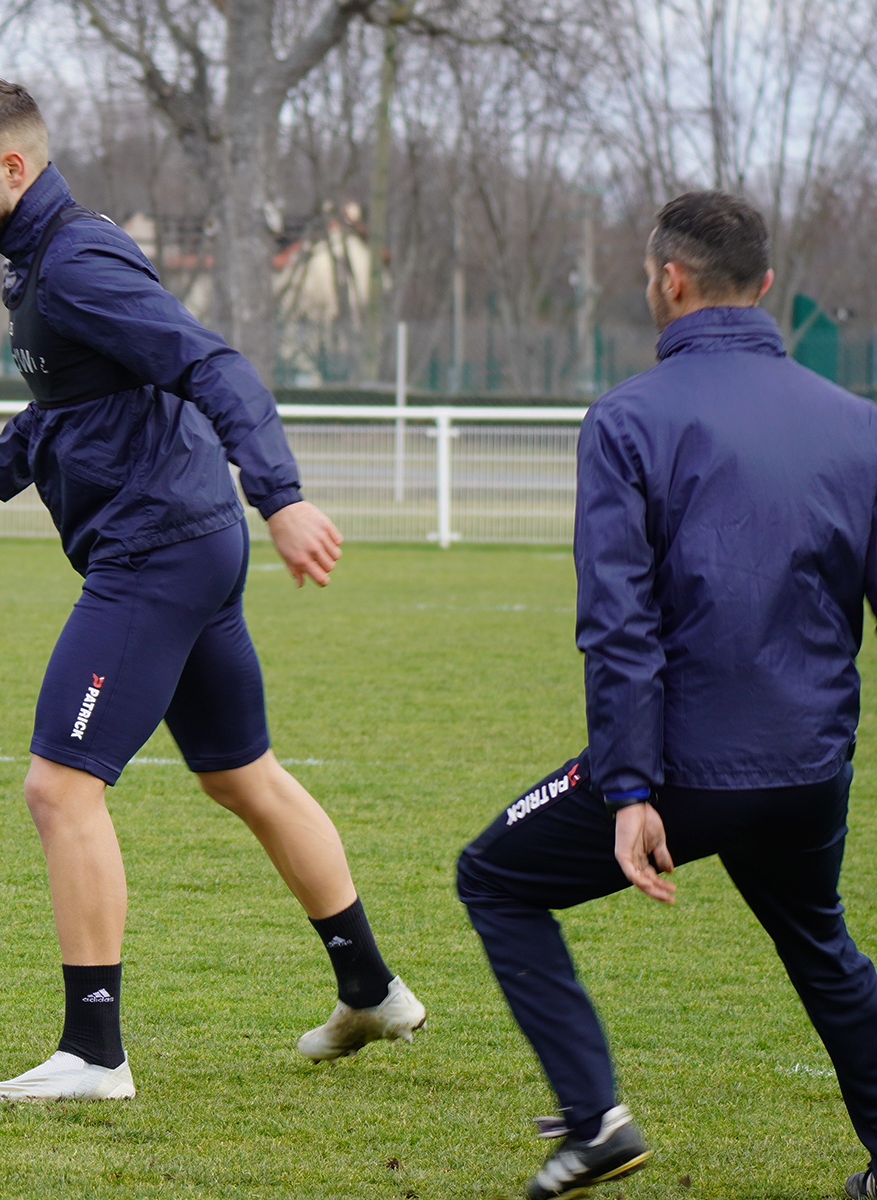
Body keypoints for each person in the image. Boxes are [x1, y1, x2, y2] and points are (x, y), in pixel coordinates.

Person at [0, 79, 426, 1103]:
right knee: (243, 776)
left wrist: (279, 495)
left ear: (12, 167)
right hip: (189, 540)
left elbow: (211, 364)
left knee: (60, 786)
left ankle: (93, 1052)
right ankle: (370, 989)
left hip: (156, 551)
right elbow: (67, 408)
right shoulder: (44, 259)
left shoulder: (75, 264)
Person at [456, 190, 877, 1200]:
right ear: (766, 287)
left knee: (495, 877)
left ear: (667, 280)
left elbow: (617, 625)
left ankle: (595, 1115)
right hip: (811, 767)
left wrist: (630, 788)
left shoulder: (628, 418)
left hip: (688, 770)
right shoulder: (857, 424)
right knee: (821, 943)